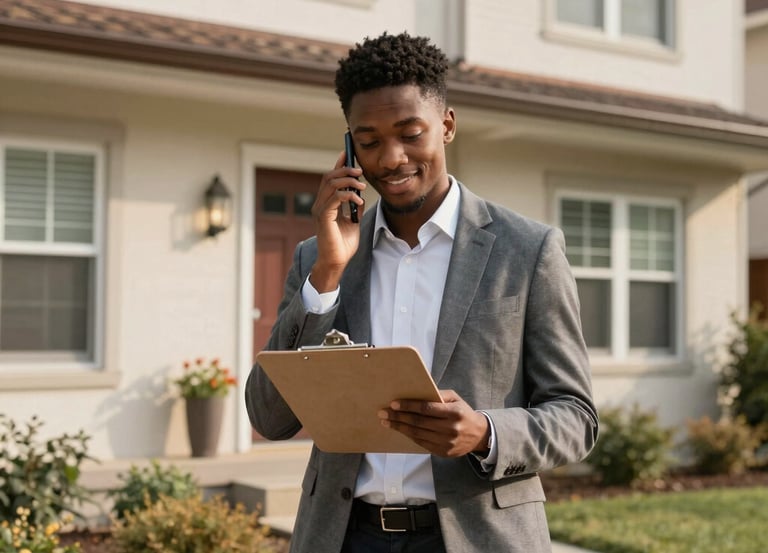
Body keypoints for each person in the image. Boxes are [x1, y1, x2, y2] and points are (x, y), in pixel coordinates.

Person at [245, 31, 598, 553]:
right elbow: (270, 417)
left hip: (477, 536)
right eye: (368, 142)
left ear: (447, 125)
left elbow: (576, 417)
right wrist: (326, 276)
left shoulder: (528, 251)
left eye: (410, 133)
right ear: (349, 145)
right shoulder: (319, 258)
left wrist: (485, 432)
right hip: (344, 537)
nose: (390, 158)